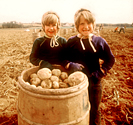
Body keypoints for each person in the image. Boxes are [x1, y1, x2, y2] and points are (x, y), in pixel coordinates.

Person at [64, 8, 115, 125]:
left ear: (93, 25)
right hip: (76, 85)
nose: (86, 26)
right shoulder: (72, 41)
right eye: (82, 23)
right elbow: (63, 58)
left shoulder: (99, 41)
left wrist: (101, 71)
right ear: (77, 26)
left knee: (94, 110)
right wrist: (71, 64)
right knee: (77, 111)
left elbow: (110, 59)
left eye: (89, 23)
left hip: (94, 83)